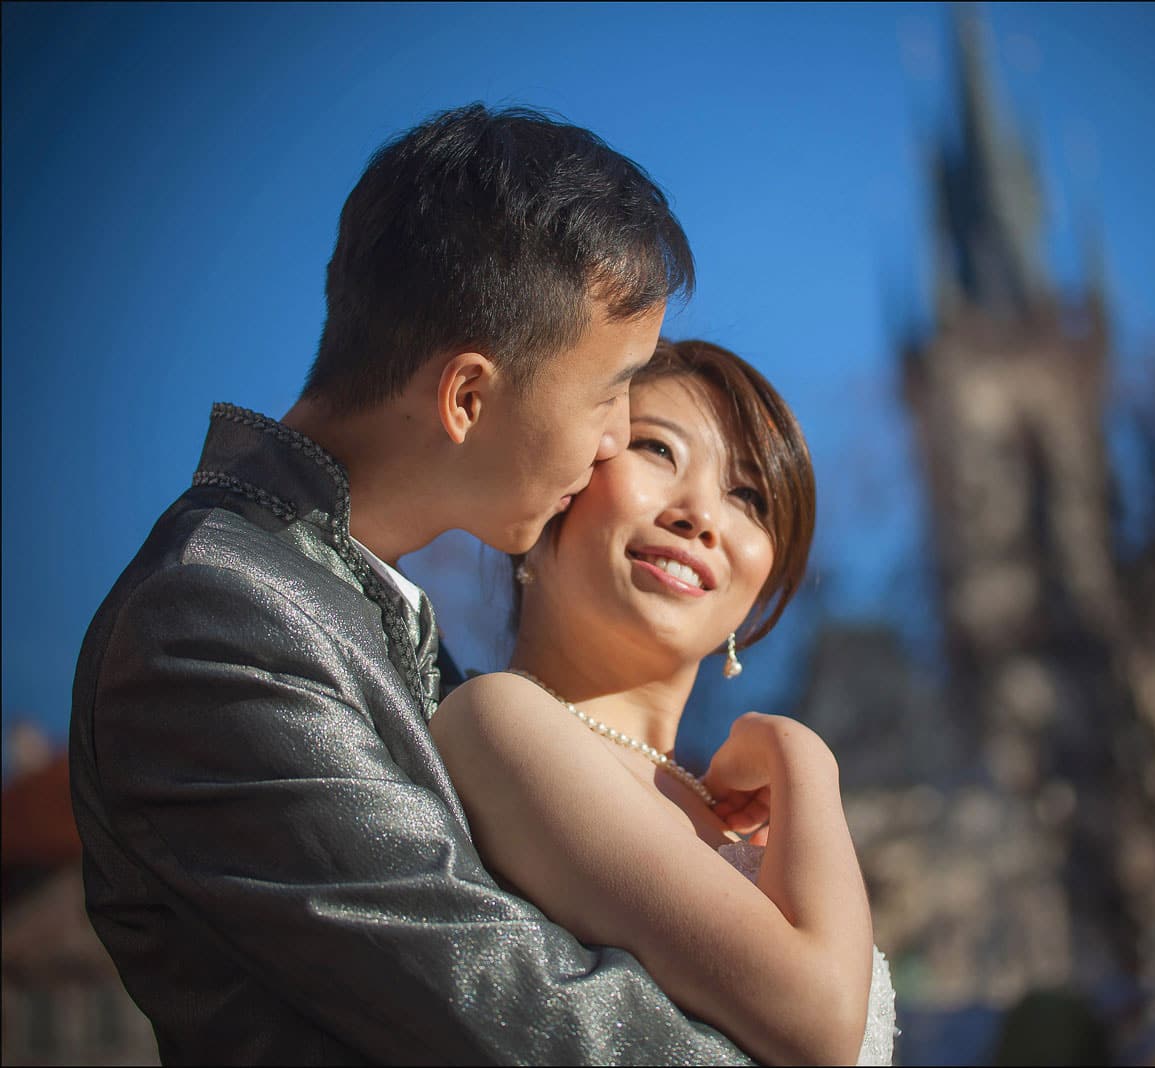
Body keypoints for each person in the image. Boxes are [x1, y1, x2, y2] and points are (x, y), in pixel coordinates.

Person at [69, 103, 756, 1064]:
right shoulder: (213, 623)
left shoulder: (356, 605)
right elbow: (514, 1013)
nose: (611, 442)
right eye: (609, 391)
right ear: (467, 397)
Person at [429, 338, 896, 1066]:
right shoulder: (497, 720)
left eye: (749, 497)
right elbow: (821, 1027)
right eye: (656, 450)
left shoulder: (764, 837)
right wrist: (801, 756)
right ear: (559, 484)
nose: (701, 515)